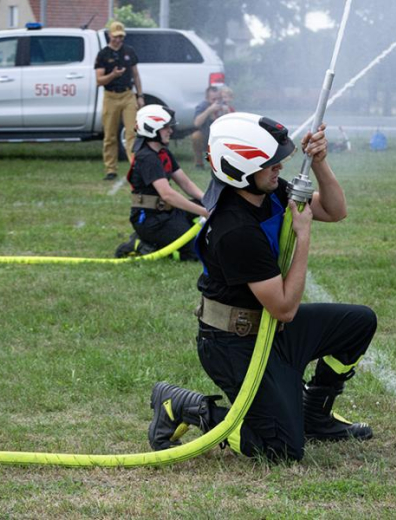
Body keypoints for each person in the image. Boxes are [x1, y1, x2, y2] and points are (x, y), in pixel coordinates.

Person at [147, 113, 377, 462]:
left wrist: (320, 163)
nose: (280, 168)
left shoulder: (266, 193)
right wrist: (303, 235)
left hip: (273, 330)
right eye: (270, 163)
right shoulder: (234, 228)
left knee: (359, 322)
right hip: (233, 344)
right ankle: (183, 406)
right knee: (282, 449)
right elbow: (284, 307)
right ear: (239, 169)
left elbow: (335, 210)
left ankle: (315, 414)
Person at [115, 104, 208, 261]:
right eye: (165, 127)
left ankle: (161, 240)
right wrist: (204, 212)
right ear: (152, 128)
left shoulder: (163, 152)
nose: (170, 131)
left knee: (204, 232)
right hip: (151, 221)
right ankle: (140, 244)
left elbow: (186, 183)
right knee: (196, 252)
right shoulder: (147, 157)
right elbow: (168, 195)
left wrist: (208, 201)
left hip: (167, 213)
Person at [95, 21, 145, 181]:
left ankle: (134, 167)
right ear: (110, 35)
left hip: (128, 95)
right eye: (116, 36)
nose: (118, 40)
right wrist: (113, 75)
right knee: (110, 135)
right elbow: (99, 80)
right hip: (110, 96)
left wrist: (140, 96)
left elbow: (136, 75)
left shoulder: (129, 51)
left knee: (132, 133)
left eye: (121, 37)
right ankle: (111, 169)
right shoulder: (103, 54)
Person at [190, 86, 229, 169]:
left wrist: (226, 112)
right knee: (196, 136)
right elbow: (196, 123)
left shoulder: (224, 105)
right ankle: (199, 164)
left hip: (220, 136)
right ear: (207, 98)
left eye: (218, 99)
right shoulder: (202, 106)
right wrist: (209, 110)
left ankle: (223, 165)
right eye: (213, 99)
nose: (216, 102)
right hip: (206, 135)